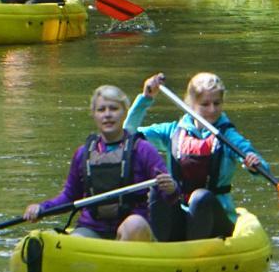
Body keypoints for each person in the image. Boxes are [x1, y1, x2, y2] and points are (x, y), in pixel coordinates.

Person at [127, 72, 267, 241]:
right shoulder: (172, 132)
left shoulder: (228, 137)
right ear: (191, 104)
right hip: (181, 217)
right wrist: (146, 98)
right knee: (159, 188)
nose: (212, 110)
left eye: (217, 103)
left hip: (216, 221)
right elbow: (129, 133)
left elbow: (262, 170)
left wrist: (253, 164)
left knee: (201, 197)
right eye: (205, 104)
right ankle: (164, 249)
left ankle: (194, 253)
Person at [24, 85, 174, 241]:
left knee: (135, 224)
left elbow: (169, 196)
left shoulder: (143, 149)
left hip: (132, 229)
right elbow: (69, 196)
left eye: (114, 109)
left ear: (124, 113)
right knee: (75, 241)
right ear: (94, 115)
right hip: (93, 228)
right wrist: (42, 208)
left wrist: (170, 188)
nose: (107, 115)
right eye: (101, 110)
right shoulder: (83, 153)